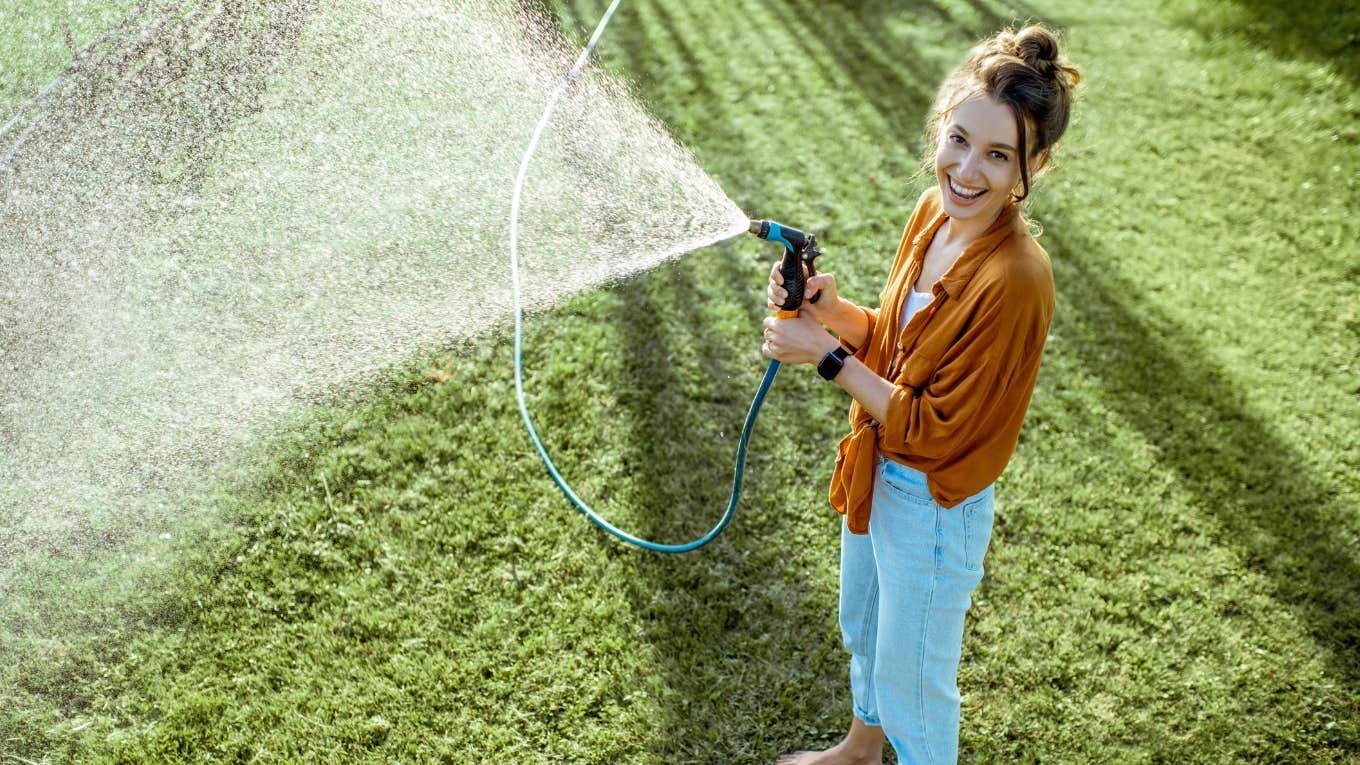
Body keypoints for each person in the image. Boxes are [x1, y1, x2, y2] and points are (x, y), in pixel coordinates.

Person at [760, 24, 1081, 765]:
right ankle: (858, 752)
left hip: (933, 503)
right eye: (959, 140)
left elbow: (936, 427)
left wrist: (828, 355)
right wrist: (833, 313)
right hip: (879, 473)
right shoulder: (935, 216)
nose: (967, 171)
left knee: (916, 683)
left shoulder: (1016, 278)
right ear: (943, 125)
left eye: (998, 156)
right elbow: (900, 349)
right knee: (866, 628)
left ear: (1032, 166)